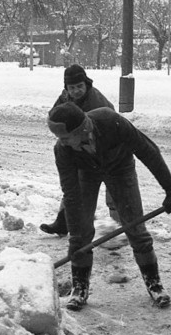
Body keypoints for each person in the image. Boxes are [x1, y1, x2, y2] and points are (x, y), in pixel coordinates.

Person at [47, 102, 171, 311]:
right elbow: (71, 195)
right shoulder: (63, 150)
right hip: (86, 173)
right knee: (80, 235)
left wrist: (170, 191)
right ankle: (79, 287)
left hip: (120, 168)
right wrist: (75, 236)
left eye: (64, 137)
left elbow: (148, 151)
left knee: (135, 228)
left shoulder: (112, 122)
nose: (61, 142)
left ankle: (154, 283)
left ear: (81, 130)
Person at [40, 64, 115, 236]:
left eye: (79, 86)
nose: (76, 91)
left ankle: (117, 228)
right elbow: (55, 116)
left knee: (114, 189)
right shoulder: (65, 98)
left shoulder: (96, 102)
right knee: (72, 186)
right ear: (66, 88)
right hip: (79, 148)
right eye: (72, 87)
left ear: (86, 84)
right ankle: (63, 222)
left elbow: (105, 132)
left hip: (106, 149)